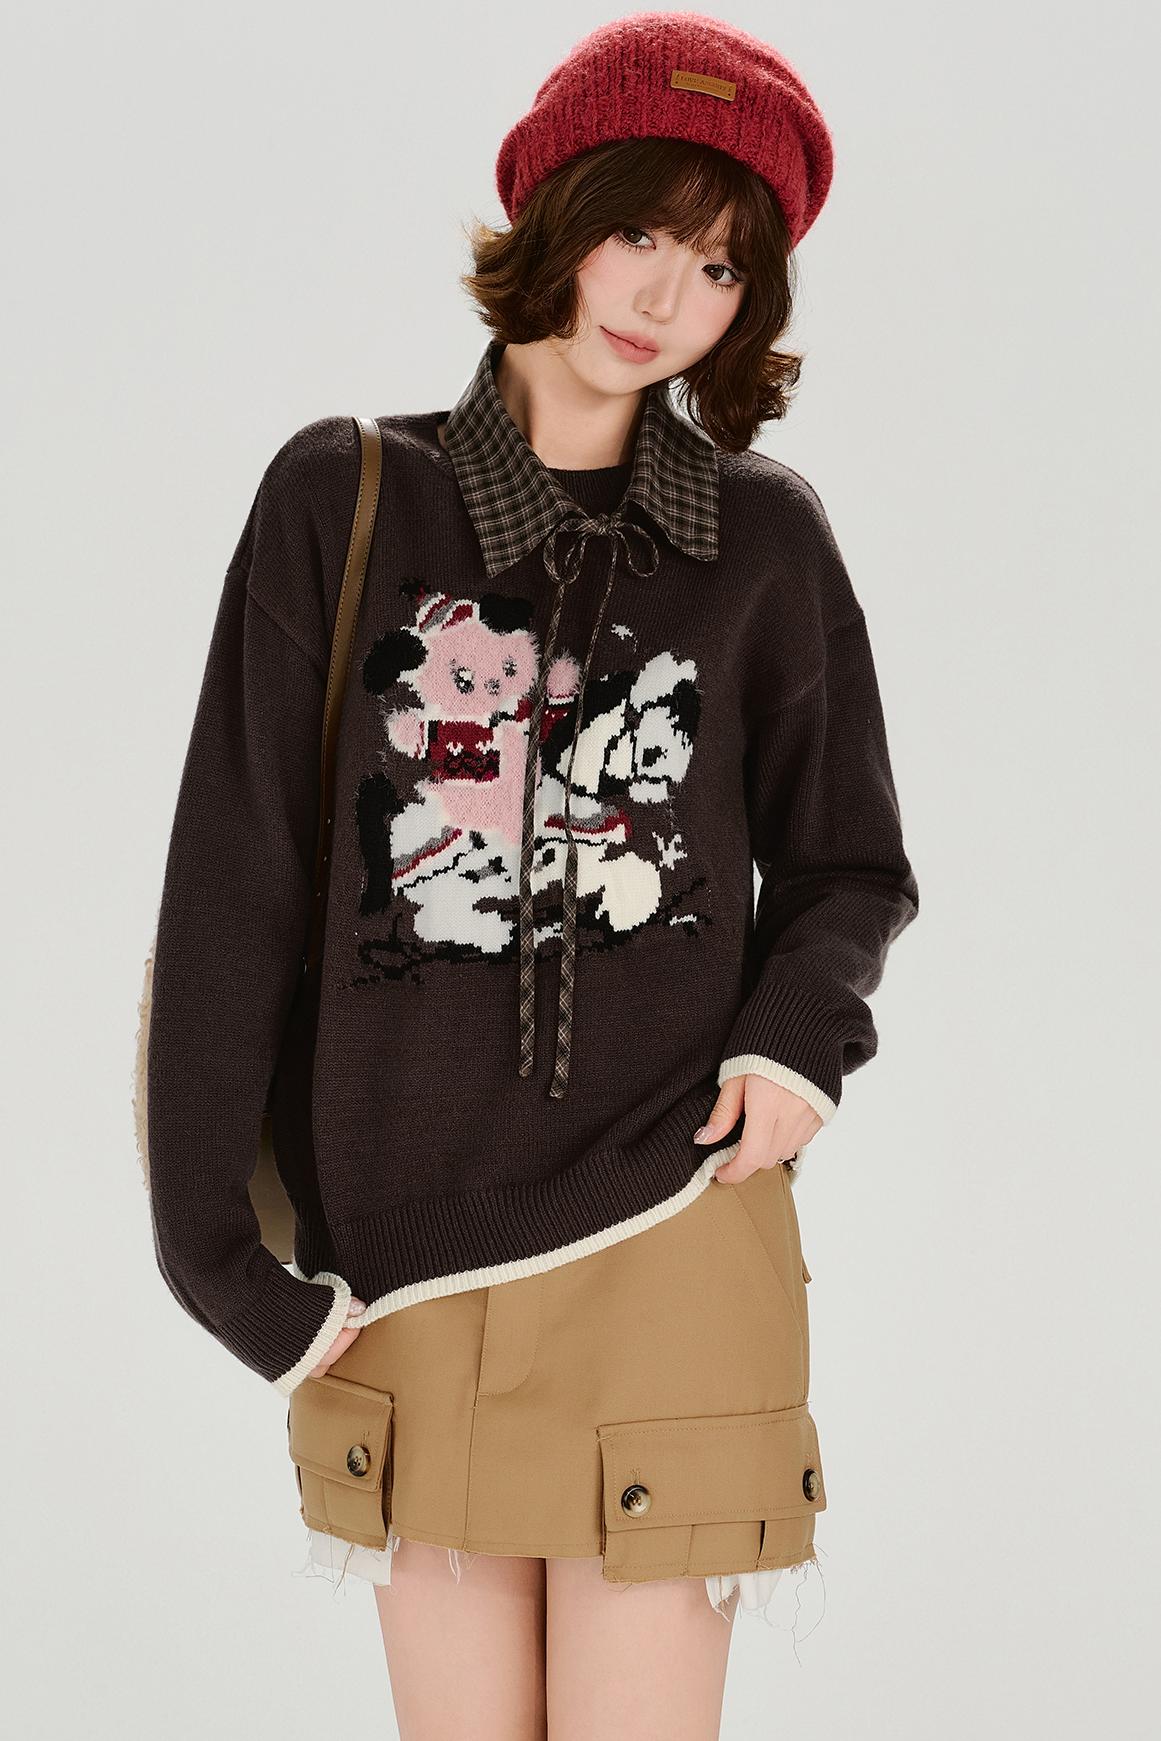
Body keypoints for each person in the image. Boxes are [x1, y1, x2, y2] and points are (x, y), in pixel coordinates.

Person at [142, 13, 919, 1737]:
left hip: (674, 1225)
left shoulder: (762, 538)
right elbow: (231, 891)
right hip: (407, 1259)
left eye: (718, 265)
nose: (663, 294)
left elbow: (850, 861)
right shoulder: (344, 496)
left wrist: (796, 1039)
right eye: (637, 228)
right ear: (552, 212)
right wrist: (217, 1261)